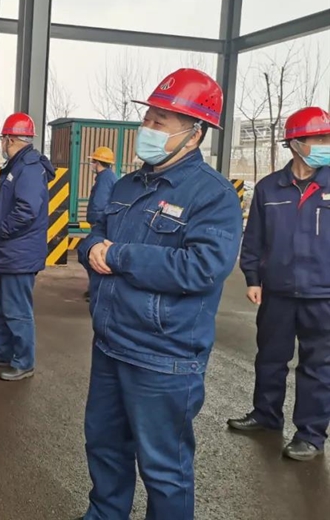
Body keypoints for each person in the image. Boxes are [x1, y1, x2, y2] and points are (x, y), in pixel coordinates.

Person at [77, 68, 243, 520]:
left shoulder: (213, 196)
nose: (146, 129)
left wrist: (119, 255)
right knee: (105, 448)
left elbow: (203, 267)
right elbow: (95, 237)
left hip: (164, 356)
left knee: (164, 469)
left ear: (195, 134)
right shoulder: (127, 186)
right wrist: (91, 248)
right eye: (147, 118)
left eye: (160, 121)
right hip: (110, 344)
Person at [228, 106, 330, 461]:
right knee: (270, 358)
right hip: (277, 292)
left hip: (323, 295)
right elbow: (254, 238)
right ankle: (266, 415)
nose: (325, 145)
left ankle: (310, 435)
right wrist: (252, 278)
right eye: (319, 139)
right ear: (295, 143)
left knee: (318, 367)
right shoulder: (269, 188)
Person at [0, 112, 54, 381]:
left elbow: (26, 209)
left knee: (17, 310)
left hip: (18, 253)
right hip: (10, 253)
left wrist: (0, 230)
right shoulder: (18, 165)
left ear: (9, 139)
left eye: (2, 139)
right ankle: (3, 351)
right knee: (3, 305)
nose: (2, 144)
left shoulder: (28, 167)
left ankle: (23, 361)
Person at [82, 147, 118, 301]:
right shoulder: (108, 176)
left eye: (93, 161)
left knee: (90, 255)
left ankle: (97, 291)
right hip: (105, 222)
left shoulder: (104, 179)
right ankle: (94, 289)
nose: (91, 164)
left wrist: (96, 221)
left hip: (101, 223)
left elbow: (100, 203)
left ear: (97, 162)